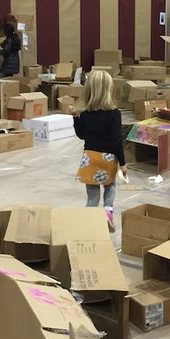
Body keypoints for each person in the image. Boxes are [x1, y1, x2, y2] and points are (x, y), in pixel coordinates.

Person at [71, 70, 127, 229]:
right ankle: (107, 213)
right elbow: (116, 141)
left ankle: (89, 222)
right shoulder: (115, 114)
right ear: (108, 89)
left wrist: (75, 117)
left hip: (90, 158)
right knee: (110, 187)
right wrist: (123, 163)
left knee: (92, 195)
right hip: (107, 158)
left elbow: (81, 135)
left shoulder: (85, 113)